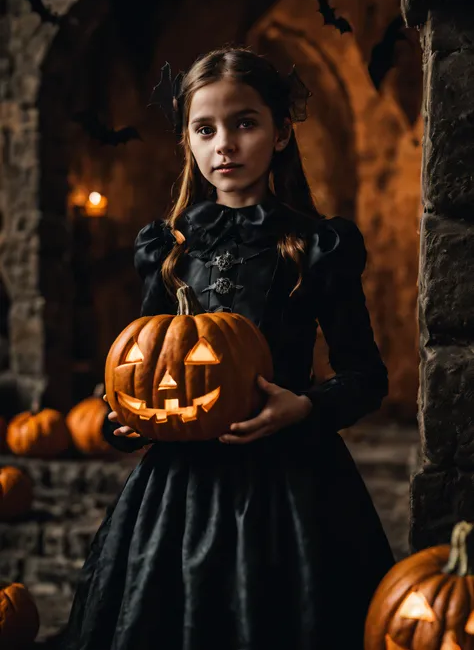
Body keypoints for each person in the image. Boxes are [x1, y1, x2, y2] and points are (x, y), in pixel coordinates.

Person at [63, 47, 395, 650]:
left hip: (289, 486)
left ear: (281, 131)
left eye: (245, 123)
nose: (225, 145)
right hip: (178, 490)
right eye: (205, 128)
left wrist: (307, 409)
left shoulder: (317, 246)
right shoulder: (166, 248)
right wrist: (125, 418)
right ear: (188, 139)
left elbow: (366, 375)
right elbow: (141, 360)